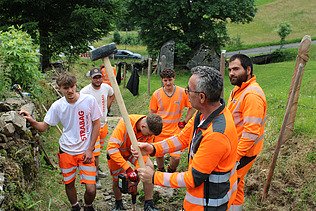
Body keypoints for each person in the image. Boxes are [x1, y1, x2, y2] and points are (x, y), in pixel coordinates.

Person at [133, 66, 238, 210]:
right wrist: (153, 148)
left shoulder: (216, 135)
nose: (186, 93)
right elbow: (182, 139)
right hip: (197, 202)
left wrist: (154, 177)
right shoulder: (203, 115)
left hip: (208, 205)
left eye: (189, 90)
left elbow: (192, 178)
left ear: (201, 97)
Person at [19, 73, 102, 211]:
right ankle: (75, 206)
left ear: (76, 85)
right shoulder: (57, 106)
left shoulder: (89, 100)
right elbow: (43, 127)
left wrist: (90, 149)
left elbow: (96, 123)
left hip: (85, 151)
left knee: (91, 188)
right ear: (59, 89)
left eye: (72, 86)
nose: (69, 90)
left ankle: (88, 206)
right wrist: (32, 120)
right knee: (69, 183)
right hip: (66, 150)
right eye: (65, 88)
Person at [227, 54, 267, 210]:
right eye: (230, 69)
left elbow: (251, 133)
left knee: (228, 185)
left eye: (236, 69)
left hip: (243, 153)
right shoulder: (238, 90)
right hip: (236, 149)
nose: (231, 73)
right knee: (237, 184)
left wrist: (235, 157)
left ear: (248, 69)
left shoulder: (251, 95)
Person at [106, 114, 163, 211]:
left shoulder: (149, 131)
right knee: (117, 179)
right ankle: (118, 204)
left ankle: (148, 204)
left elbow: (144, 155)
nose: (150, 136)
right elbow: (111, 149)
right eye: (149, 134)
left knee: (149, 167)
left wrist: (136, 174)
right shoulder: (125, 123)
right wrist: (128, 169)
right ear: (143, 126)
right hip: (117, 153)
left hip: (134, 153)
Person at [149, 68, 195, 173]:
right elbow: (152, 113)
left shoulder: (182, 92)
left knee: (176, 158)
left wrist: (186, 120)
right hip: (160, 131)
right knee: (159, 154)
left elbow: (192, 106)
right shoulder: (157, 94)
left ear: (174, 79)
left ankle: (171, 171)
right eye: (165, 80)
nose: (168, 83)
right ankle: (160, 171)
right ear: (162, 81)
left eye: (170, 80)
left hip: (175, 131)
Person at [80, 67, 115, 189]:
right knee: (94, 152)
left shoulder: (106, 87)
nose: (98, 79)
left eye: (99, 77)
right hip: (92, 127)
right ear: (91, 78)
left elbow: (112, 94)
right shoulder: (85, 92)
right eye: (95, 77)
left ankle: (97, 169)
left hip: (103, 124)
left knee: (98, 152)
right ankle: (95, 177)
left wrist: (108, 107)